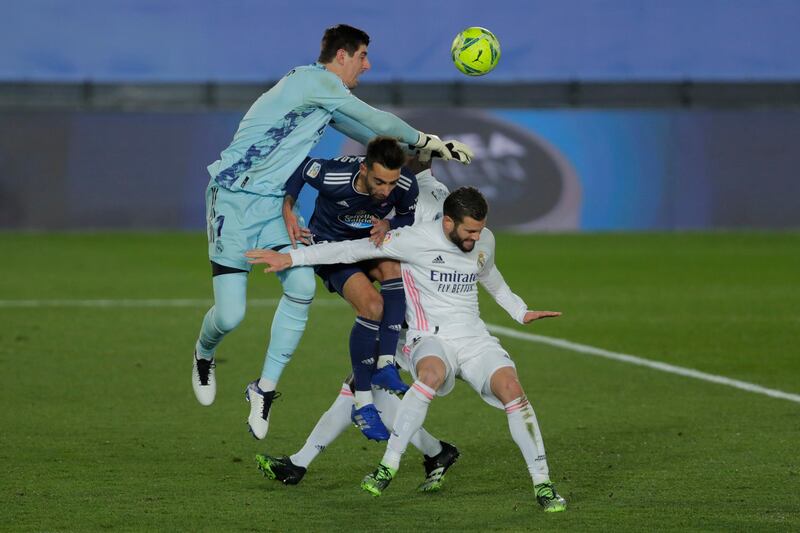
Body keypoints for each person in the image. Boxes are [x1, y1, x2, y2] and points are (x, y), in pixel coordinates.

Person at [190, 23, 473, 441]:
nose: (367, 65)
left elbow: (371, 134)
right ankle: (203, 353)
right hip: (233, 197)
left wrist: (421, 150)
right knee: (230, 315)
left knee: (302, 284)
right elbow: (371, 117)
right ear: (342, 56)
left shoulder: (322, 99)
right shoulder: (314, 81)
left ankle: (263, 389)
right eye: (362, 56)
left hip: (271, 205)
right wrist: (424, 137)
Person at [246, 187, 567, 512]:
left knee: (510, 388)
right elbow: (350, 251)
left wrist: (519, 310)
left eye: (480, 230)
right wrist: (291, 257)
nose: (476, 237)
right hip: (422, 336)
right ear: (447, 222)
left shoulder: (482, 239)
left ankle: (541, 483)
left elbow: (489, 273)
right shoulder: (413, 238)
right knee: (366, 384)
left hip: (472, 338)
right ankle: (315, 463)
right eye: (469, 230)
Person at [255, 150, 460, 492]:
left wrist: (304, 251)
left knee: (362, 385)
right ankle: (434, 451)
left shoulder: (412, 195)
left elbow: (383, 242)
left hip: (415, 311)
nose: (387, 188)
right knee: (360, 382)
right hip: (419, 301)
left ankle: (435, 450)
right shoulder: (439, 195)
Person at [281, 136, 418, 440]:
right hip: (332, 251)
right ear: (364, 168)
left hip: (368, 244)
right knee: (372, 306)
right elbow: (301, 168)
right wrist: (288, 207)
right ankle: (363, 403)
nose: (386, 192)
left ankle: (385, 364)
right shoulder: (333, 175)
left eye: (392, 184)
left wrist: (390, 224)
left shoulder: (405, 184)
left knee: (394, 270)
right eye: (380, 182)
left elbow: (407, 214)